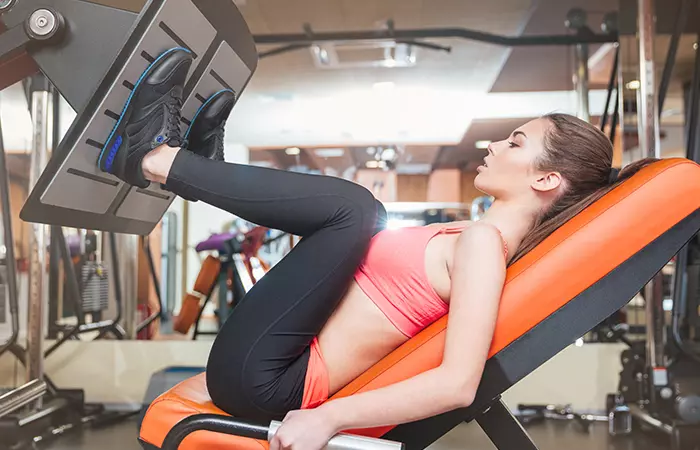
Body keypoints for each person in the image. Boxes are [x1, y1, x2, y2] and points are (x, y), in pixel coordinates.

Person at [100, 48, 657, 450]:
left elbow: (458, 383)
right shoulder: (473, 236)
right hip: (268, 366)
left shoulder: (484, 247)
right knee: (358, 216)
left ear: (545, 181)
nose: (492, 145)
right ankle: (201, 171)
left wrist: (327, 420)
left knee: (358, 211)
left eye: (515, 143)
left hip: (270, 381)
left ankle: (151, 158)